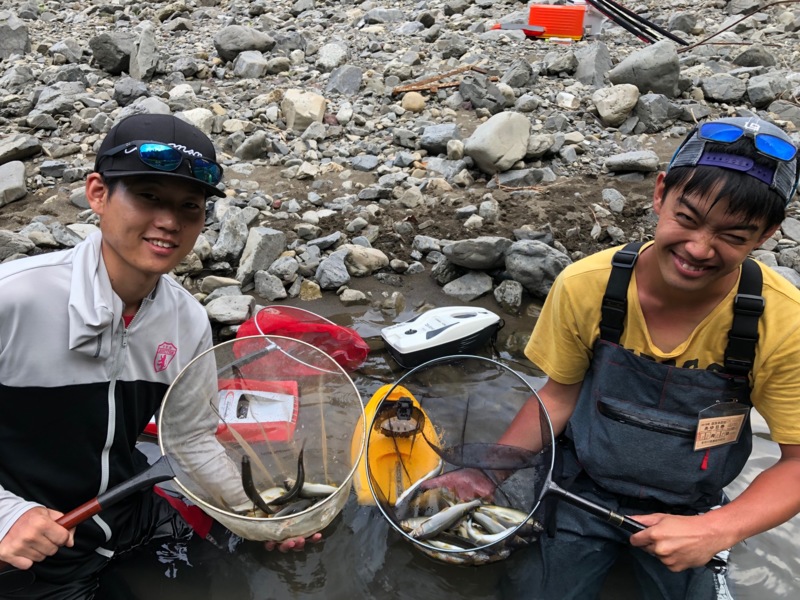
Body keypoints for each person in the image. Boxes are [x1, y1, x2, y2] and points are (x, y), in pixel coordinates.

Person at [429, 115, 800, 599]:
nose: (698, 249)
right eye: (687, 219)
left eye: (733, 237)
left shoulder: (784, 322)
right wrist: (487, 471)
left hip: (691, 507)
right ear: (661, 193)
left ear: (766, 234)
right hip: (581, 489)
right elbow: (557, 398)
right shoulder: (587, 286)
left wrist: (720, 529)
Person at [0, 113, 318, 599]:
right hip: (34, 550)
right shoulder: (14, 301)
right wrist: (7, 514)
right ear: (98, 194)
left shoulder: (186, 319)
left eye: (190, 206)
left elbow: (189, 440)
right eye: (148, 197)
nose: (169, 222)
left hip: (130, 513)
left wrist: (256, 513)